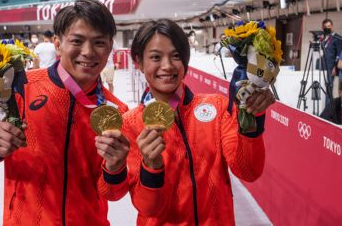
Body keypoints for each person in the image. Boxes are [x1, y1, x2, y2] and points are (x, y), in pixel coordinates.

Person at [0, 0, 130, 225]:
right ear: (58, 44)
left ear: (109, 48)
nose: (88, 52)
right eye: (77, 41)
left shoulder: (116, 110)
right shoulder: (17, 87)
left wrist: (116, 168)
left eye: (99, 43)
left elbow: (113, 193)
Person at [102, 19, 276, 225]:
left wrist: (252, 118)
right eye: (156, 57)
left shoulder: (217, 108)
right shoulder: (129, 124)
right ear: (138, 62)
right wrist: (150, 167)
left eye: (176, 56)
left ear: (185, 61)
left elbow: (247, 171)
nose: (167, 66)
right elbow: (146, 207)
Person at [321, 19, 342, 93]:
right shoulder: (324, 38)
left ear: (332, 26)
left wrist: (335, 68)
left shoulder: (337, 38)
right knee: (323, 87)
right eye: (325, 26)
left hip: (331, 67)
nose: (327, 28)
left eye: (329, 26)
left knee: (329, 88)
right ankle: (323, 104)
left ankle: (328, 105)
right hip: (323, 66)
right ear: (322, 28)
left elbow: (339, 54)